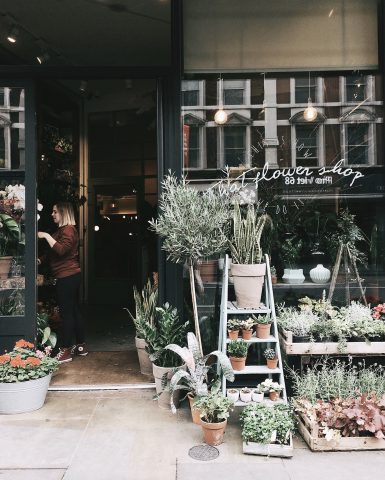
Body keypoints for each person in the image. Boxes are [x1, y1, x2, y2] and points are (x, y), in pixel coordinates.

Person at [38, 202, 87, 363]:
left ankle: (65, 351)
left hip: (67, 277)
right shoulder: (62, 230)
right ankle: (80, 346)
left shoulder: (68, 230)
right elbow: (53, 252)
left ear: (63, 213)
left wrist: (45, 235)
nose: (52, 214)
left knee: (67, 314)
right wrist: (39, 260)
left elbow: (61, 250)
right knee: (73, 310)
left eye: (55, 212)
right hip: (69, 276)